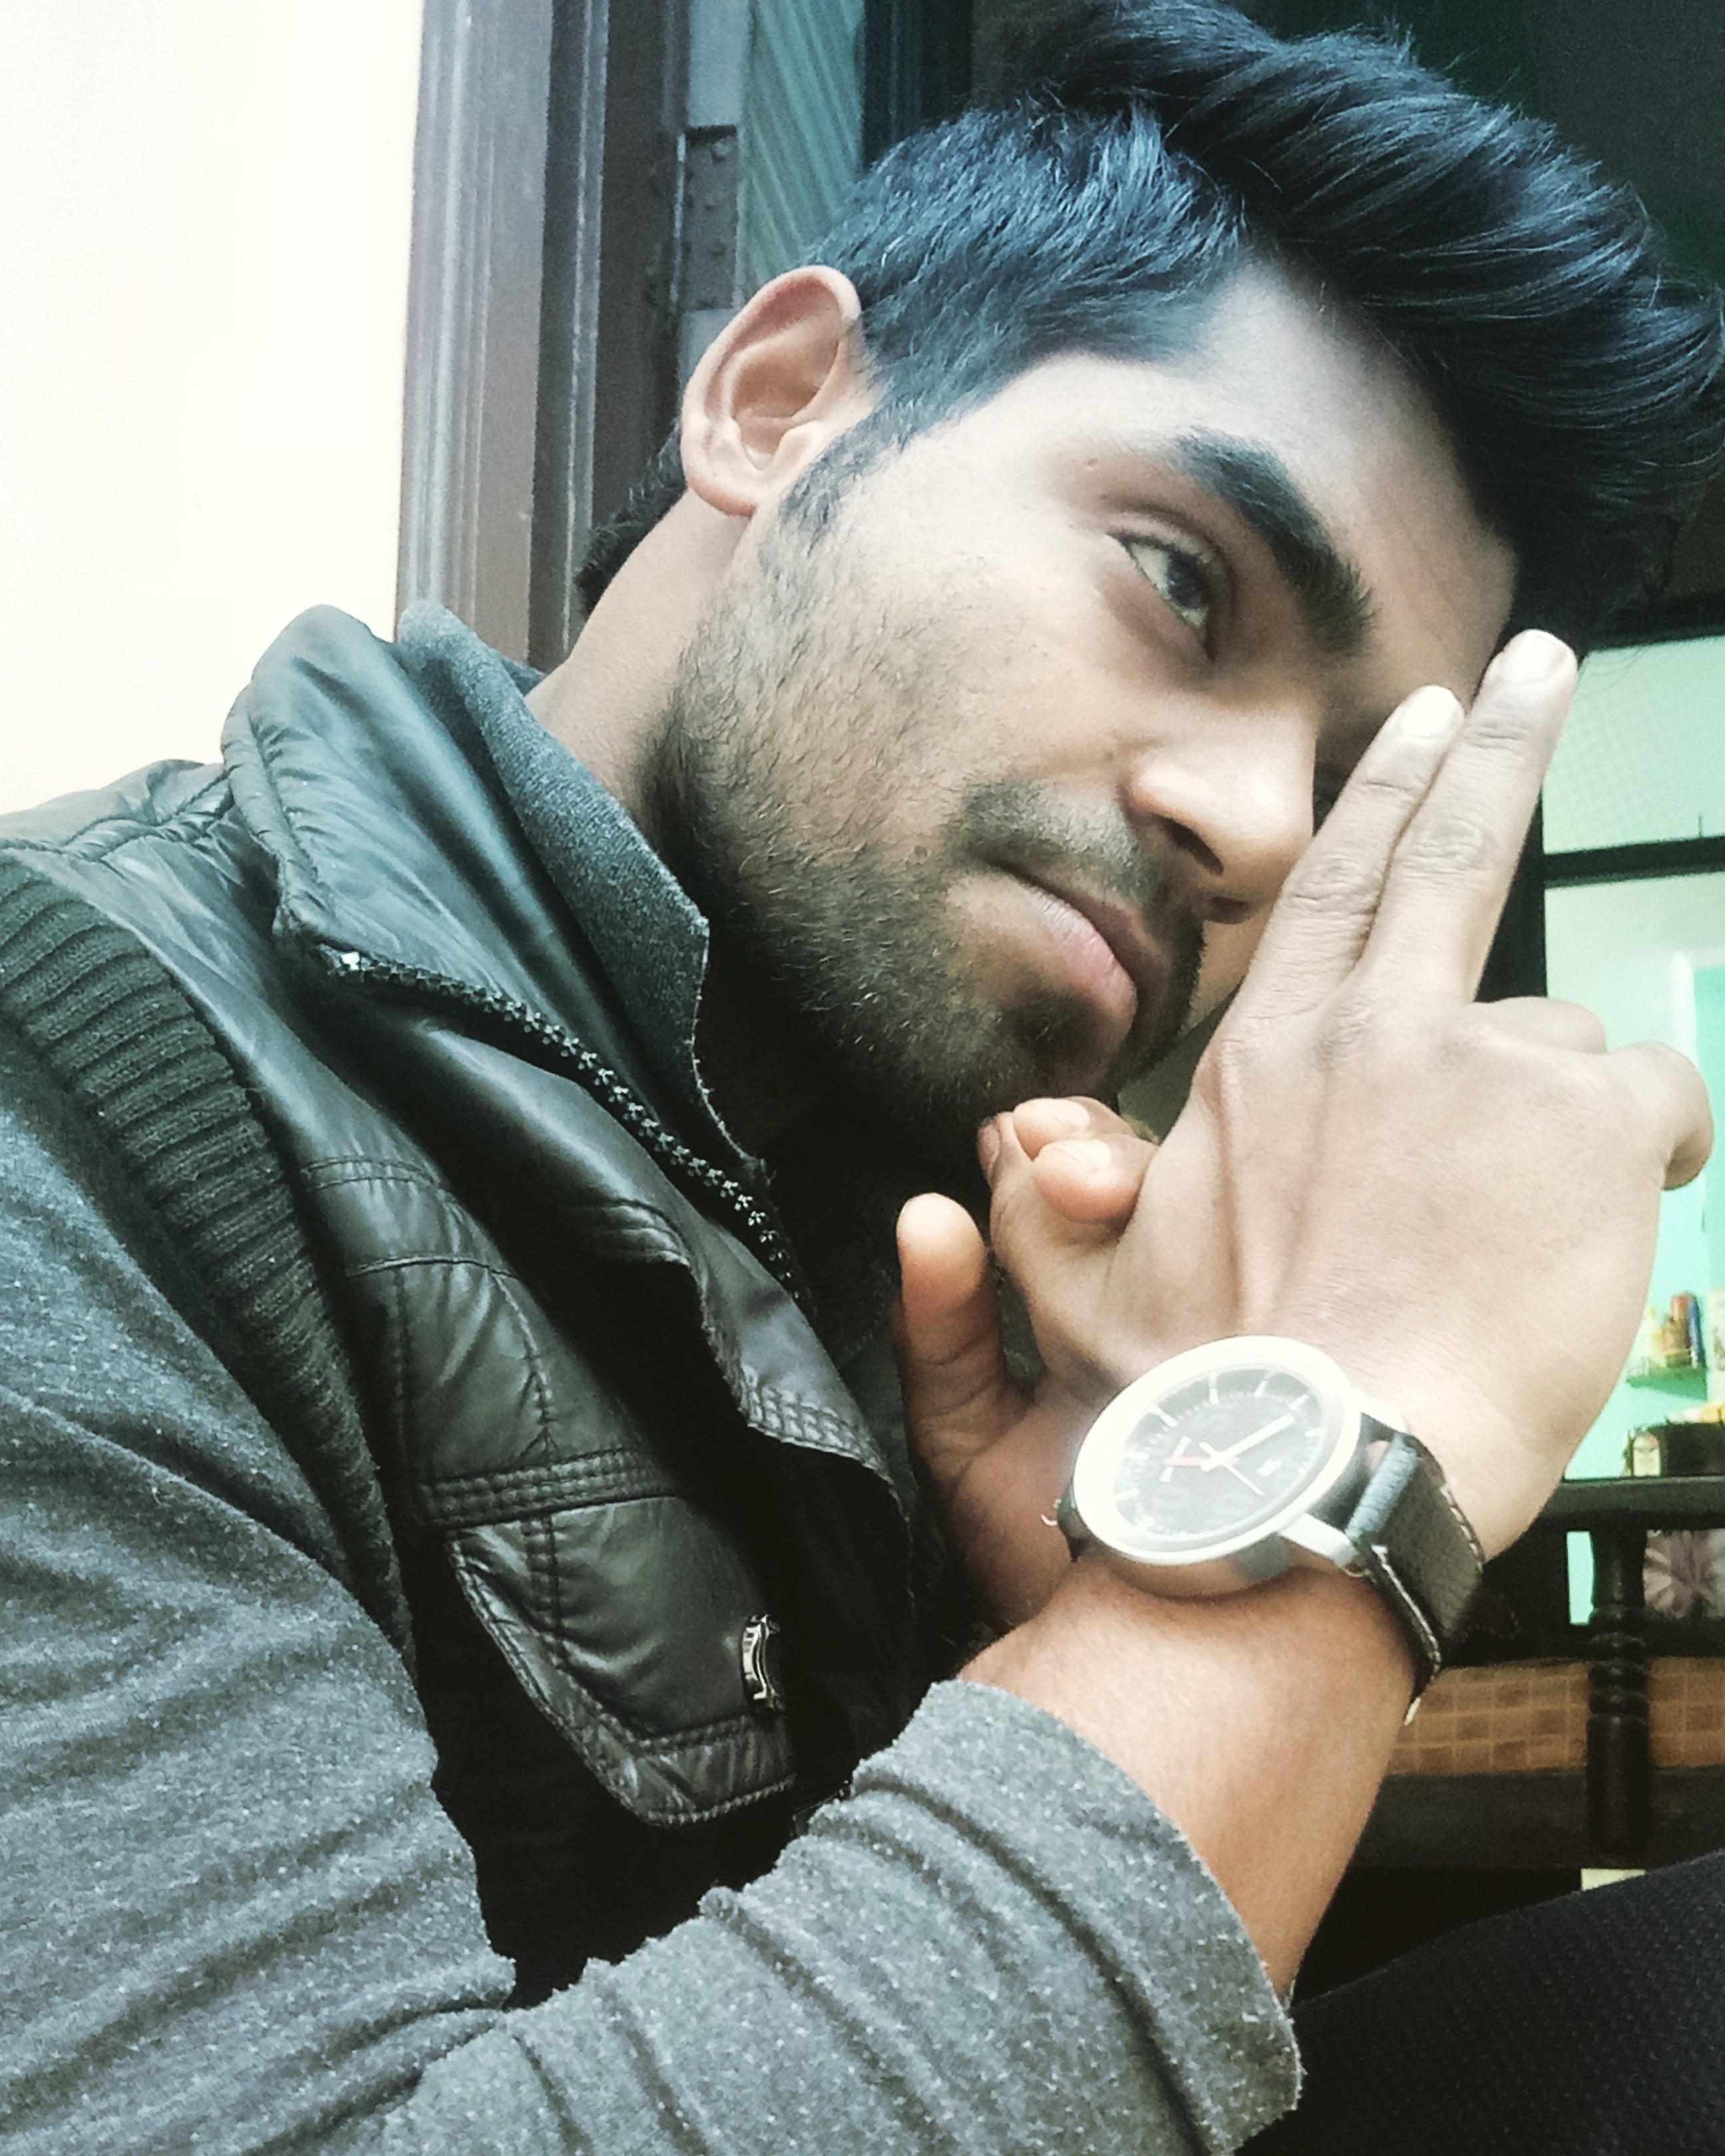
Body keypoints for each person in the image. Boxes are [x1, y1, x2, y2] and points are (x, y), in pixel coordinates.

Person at [3, 1, 1722, 2149]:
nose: (1258, 828)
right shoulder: (77, 1077)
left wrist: (1072, 1606)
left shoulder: (947, 1271)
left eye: (1348, 778)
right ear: (777, 400)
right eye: (1183, 580)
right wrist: (1328, 1475)